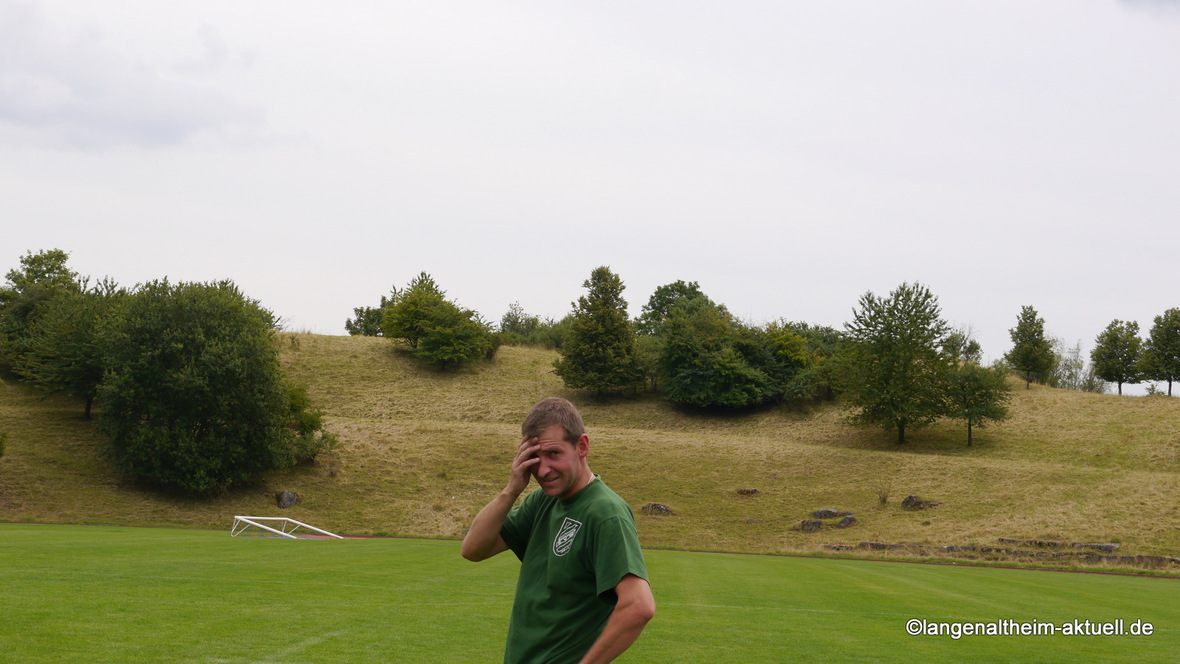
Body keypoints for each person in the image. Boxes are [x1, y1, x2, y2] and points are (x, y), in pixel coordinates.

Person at [461, 397, 655, 663]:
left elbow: (639, 605)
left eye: (554, 454)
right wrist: (512, 489)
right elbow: (473, 549)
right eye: (534, 457)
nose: (543, 469)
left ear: (582, 446)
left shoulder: (605, 512)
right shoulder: (543, 501)